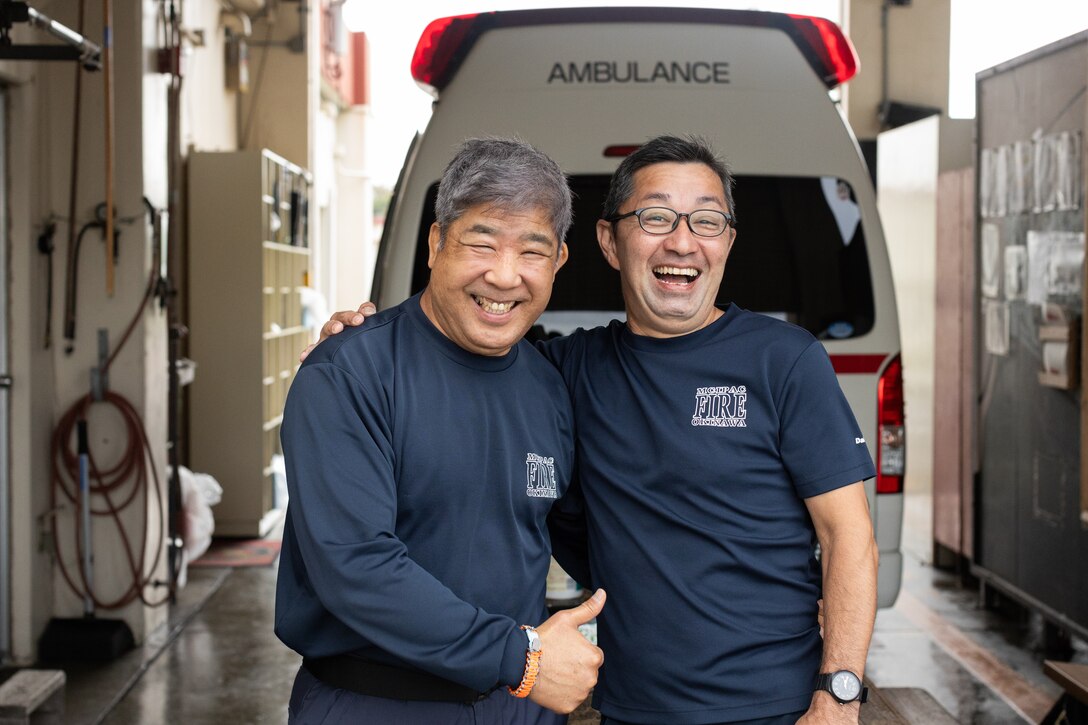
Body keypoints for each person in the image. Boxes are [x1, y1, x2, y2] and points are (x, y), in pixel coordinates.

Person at [311, 135, 879, 725]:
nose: (682, 241)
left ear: (728, 242)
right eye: (655, 217)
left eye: (706, 221)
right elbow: (466, 363)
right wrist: (363, 338)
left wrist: (837, 695)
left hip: (776, 706)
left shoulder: (785, 360)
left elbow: (849, 537)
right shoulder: (564, 373)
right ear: (609, 242)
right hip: (633, 708)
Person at [276, 137, 606, 725]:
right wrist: (525, 659)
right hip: (374, 705)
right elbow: (356, 568)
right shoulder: (349, 374)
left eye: (532, 251)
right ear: (436, 244)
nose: (504, 276)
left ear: (558, 261)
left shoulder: (548, 387)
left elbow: (587, 536)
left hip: (516, 709)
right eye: (481, 243)